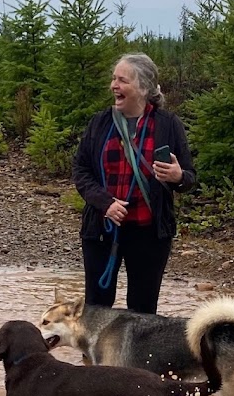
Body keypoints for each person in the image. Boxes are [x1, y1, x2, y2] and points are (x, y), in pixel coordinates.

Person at [72, 53, 196, 314]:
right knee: (96, 310)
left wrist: (177, 176)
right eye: (113, 79)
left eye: (122, 80)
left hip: (149, 233)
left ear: (143, 88)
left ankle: (139, 357)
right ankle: (95, 357)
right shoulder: (100, 123)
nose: (113, 86)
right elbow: (81, 170)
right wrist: (105, 203)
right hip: (102, 229)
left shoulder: (168, 125)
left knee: (142, 312)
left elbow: (189, 178)